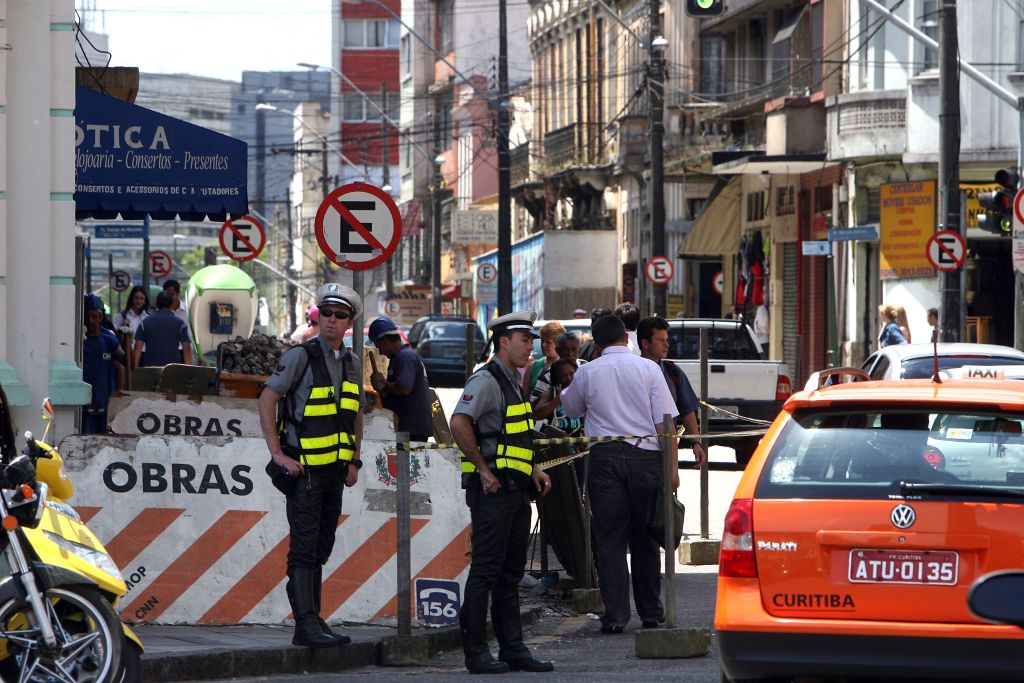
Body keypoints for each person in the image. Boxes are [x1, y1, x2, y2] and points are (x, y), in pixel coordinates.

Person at [560, 314, 683, 634]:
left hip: (604, 459)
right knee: (645, 536)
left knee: (610, 538)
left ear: (596, 344)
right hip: (646, 458)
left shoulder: (588, 372)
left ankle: (615, 616)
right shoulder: (649, 369)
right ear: (626, 338)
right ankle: (650, 611)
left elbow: (570, 408)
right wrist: (672, 468)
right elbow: (665, 422)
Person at [258, 282, 364, 649]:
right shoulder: (300, 356)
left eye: (339, 315)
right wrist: (278, 454)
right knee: (304, 548)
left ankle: (313, 620)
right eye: (326, 313)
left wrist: (354, 459)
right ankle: (305, 623)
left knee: (321, 547)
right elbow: (267, 397)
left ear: (349, 322)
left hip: (335, 472)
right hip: (303, 471)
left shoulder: (352, 363)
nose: (331, 320)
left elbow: (356, 413)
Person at [450, 311, 553, 674]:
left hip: (516, 491)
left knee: (510, 574)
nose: (530, 348)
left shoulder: (513, 380)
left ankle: (513, 649)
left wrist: (533, 469)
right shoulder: (486, 379)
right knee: (486, 572)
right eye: (525, 340)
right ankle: (476, 653)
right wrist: (482, 468)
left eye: (531, 341)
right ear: (504, 342)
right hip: (493, 494)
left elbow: (513, 437)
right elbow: (458, 422)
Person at [637, 316, 707, 465]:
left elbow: (687, 410)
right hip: (635, 451)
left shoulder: (673, 372)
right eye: (660, 340)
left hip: (665, 452)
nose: (666, 345)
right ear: (645, 343)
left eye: (667, 340)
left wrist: (695, 442)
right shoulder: (631, 372)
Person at [368, 317, 433, 441]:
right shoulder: (400, 357)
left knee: (403, 454)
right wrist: (383, 389)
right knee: (401, 454)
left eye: (379, 347)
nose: (380, 352)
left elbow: (404, 388)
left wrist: (384, 384)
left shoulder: (405, 357)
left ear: (385, 341)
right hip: (407, 426)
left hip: (410, 429)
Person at [82, 294, 126, 434]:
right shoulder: (78, 340)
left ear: (100, 317)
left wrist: (126, 340)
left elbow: (126, 364)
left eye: (94, 316)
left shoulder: (109, 340)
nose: (90, 320)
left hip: (105, 407)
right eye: (87, 316)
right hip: (84, 409)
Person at [531, 332, 582, 420]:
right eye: (565, 349)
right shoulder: (547, 374)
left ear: (580, 350)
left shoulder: (586, 368)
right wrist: (557, 399)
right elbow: (534, 408)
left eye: (574, 349)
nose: (570, 354)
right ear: (558, 350)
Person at [133, 292, 193, 367]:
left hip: (150, 367)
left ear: (156, 304)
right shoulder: (180, 324)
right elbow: (187, 348)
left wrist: (135, 368)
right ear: (171, 304)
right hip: (172, 368)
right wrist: (188, 368)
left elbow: (137, 347)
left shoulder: (145, 323)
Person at [522, 321, 565, 395]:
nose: (543, 345)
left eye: (548, 342)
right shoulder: (533, 366)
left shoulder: (567, 367)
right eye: (542, 341)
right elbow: (525, 396)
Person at [163, 279, 195, 363]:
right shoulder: (162, 313)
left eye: (172, 294)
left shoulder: (188, 311)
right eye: (167, 294)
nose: (169, 297)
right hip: (168, 351)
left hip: (186, 351)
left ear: (178, 293)